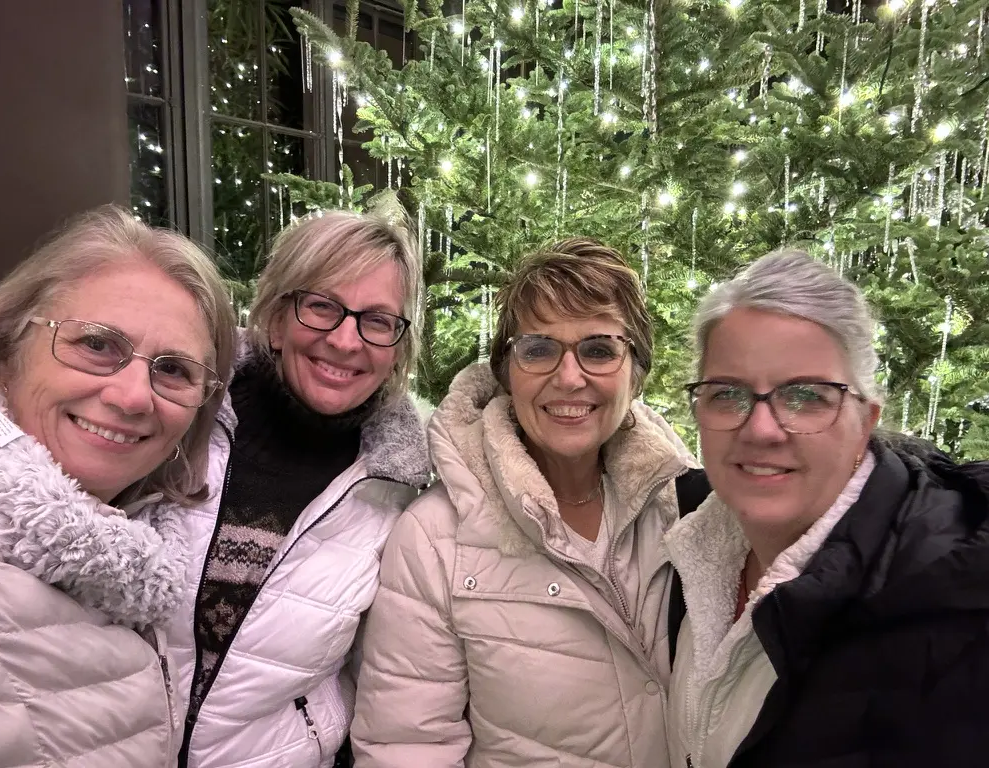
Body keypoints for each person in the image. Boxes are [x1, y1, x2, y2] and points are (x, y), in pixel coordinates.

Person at [352, 238, 697, 768]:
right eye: (538, 349)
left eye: (599, 349)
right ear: (506, 372)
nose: (569, 377)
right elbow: (406, 747)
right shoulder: (436, 539)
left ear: (637, 371)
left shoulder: (687, 508)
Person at [665, 250, 989, 768]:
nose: (761, 430)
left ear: (865, 422)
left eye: (807, 397)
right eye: (727, 393)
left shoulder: (953, 608)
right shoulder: (690, 548)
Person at [0, 205, 236, 767]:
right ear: (9, 347)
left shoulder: (141, 548)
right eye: (96, 344)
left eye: (173, 369)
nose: (132, 396)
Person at [166, 210, 430, 767]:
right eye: (322, 306)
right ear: (276, 316)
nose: (346, 340)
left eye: (378, 320)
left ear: (397, 348)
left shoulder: (402, 489)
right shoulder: (174, 418)